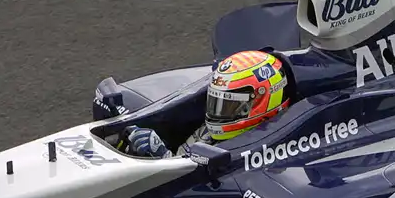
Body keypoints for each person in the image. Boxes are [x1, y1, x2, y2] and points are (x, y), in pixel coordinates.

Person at [124, 50, 291, 158]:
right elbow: (181, 157)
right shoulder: (208, 133)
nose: (220, 112)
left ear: (260, 102)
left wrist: (162, 159)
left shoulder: (271, 151)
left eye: (230, 105)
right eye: (217, 102)